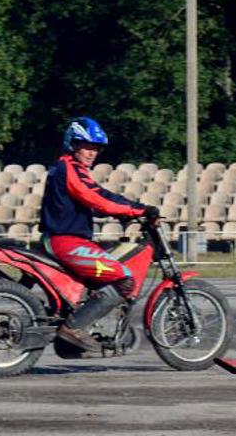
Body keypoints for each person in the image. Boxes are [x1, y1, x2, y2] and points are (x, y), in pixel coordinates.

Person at [41, 117, 159, 352]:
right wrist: (139, 209)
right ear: (72, 144)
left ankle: (77, 330)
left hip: (66, 240)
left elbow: (96, 198)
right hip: (66, 242)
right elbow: (97, 198)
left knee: (104, 275)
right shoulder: (68, 168)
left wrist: (124, 212)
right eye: (86, 145)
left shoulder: (70, 169)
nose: (91, 152)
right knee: (124, 280)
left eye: (96, 147)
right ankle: (73, 328)